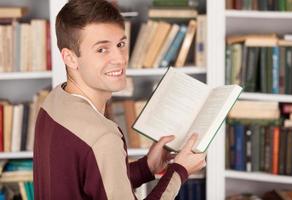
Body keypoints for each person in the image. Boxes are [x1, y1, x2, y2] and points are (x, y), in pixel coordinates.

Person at [33, 0, 206, 199]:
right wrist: (179, 171)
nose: (120, 59)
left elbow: (95, 182)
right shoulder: (102, 137)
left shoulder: (53, 102)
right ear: (70, 58)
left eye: (121, 44)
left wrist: (146, 167)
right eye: (102, 49)